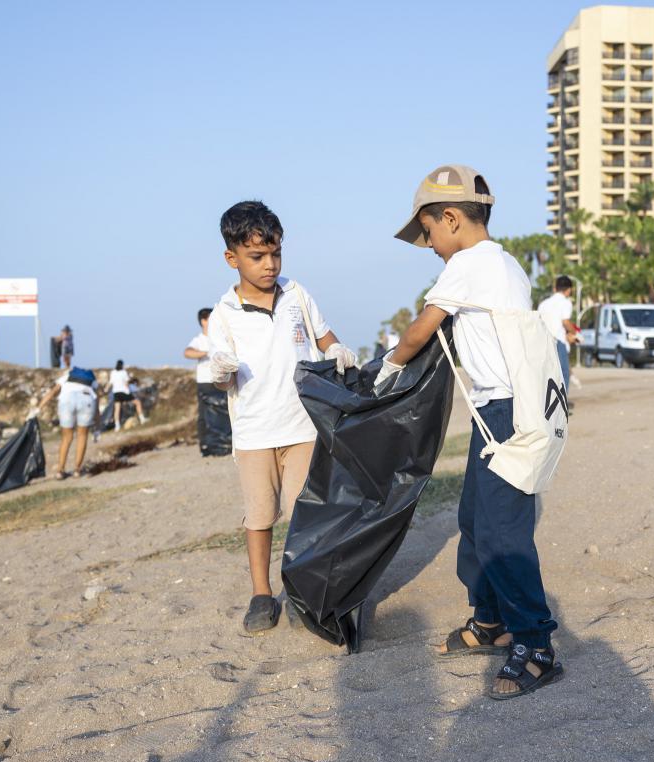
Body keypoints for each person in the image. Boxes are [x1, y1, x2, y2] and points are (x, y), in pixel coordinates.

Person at [380, 164, 561, 700]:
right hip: (499, 414)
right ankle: (489, 621)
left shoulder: (469, 265)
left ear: (451, 219)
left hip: (507, 415)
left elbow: (420, 330)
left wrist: (387, 368)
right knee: (475, 523)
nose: (431, 246)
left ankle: (535, 643)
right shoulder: (506, 264)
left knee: (503, 536)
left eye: (430, 234)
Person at [207, 200, 357, 633]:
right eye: (257, 256)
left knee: (307, 515)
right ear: (232, 258)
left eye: (275, 253)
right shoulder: (223, 313)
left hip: (303, 426)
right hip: (254, 434)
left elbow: (326, 337)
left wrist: (335, 350)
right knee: (259, 517)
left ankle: (301, 591)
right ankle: (260, 592)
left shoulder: (296, 294)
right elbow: (221, 374)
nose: (269, 264)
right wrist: (220, 372)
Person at [34, 365, 98, 478]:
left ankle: (60, 471)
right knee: (82, 435)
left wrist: (38, 408)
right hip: (87, 400)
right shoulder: (92, 380)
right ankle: (77, 470)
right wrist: (97, 427)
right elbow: (96, 402)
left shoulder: (67, 377)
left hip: (67, 399)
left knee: (66, 438)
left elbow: (53, 392)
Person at [185, 307, 232, 456]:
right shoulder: (199, 340)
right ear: (203, 321)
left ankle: (225, 443)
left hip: (221, 380)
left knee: (225, 411)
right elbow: (188, 352)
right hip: (205, 382)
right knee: (205, 415)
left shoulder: (219, 338)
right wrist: (206, 353)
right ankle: (206, 445)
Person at [537, 275, 581, 389]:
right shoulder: (566, 303)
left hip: (543, 342)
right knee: (563, 374)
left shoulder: (543, 304)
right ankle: (561, 404)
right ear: (569, 290)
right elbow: (565, 322)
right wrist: (576, 333)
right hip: (558, 342)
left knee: (547, 375)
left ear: (555, 288)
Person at [106, 360, 146, 430]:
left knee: (117, 410)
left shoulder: (113, 372)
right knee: (137, 403)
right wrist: (129, 391)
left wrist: (105, 389)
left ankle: (117, 426)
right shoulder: (123, 372)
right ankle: (142, 419)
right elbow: (126, 383)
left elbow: (110, 382)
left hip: (116, 393)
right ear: (122, 365)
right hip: (124, 392)